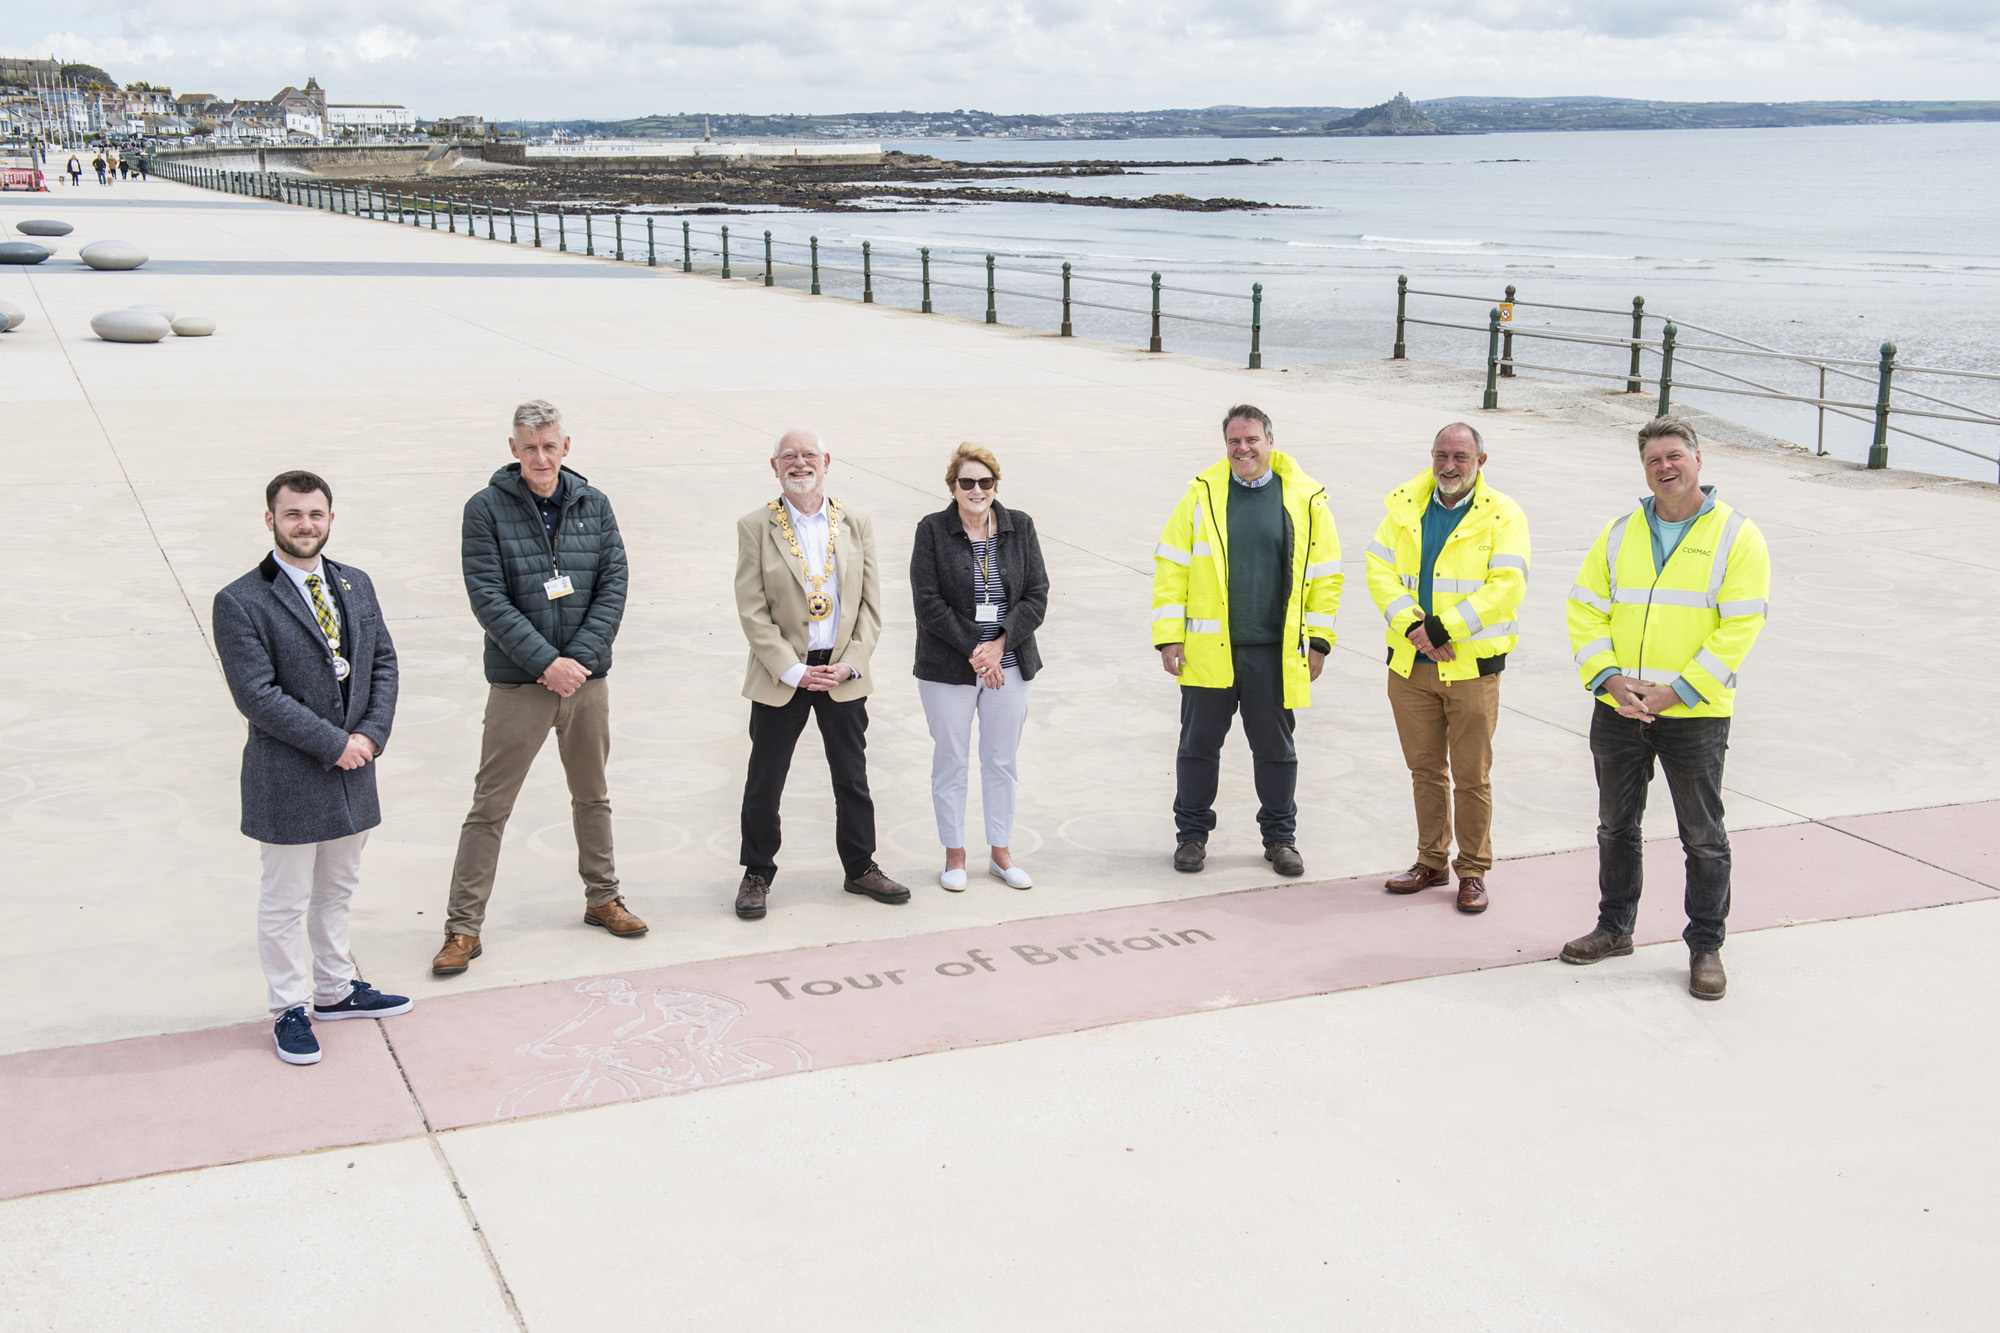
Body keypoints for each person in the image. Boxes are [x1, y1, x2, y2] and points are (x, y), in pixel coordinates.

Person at [1562, 416, 1770, 1000]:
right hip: (1620, 708)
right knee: (1615, 827)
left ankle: (1706, 944)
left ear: (1699, 460)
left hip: (1695, 713)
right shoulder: (1620, 531)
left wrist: (1679, 690)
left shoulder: (1737, 535)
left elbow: (1740, 626)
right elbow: (1585, 610)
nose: (1665, 468)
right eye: (1654, 460)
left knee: (1702, 834)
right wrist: (1609, 680)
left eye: (1674, 456)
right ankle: (1614, 928)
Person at [433, 400, 642, 976]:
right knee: (489, 808)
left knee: (592, 796)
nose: (541, 457)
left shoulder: (593, 504)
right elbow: (488, 598)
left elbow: (614, 584)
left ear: (566, 446)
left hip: (586, 681)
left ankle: (603, 898)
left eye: (550, 446)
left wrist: (577, 659)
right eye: (530, 447)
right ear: (513, 449)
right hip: (520, 685)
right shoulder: (485, 510)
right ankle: (462, 927)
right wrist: (546, 662)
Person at [212, 471, 410, 1066]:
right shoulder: (241, 599)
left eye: (316, 514)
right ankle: (290, 1007)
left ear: (330, 517)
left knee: (337, 889)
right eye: (293, 515)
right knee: (285, 898)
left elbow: (384, 665)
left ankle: (335, 989)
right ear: (270, 519)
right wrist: (335, 744)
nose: (306, 525)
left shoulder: (357, 583)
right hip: (291, 774)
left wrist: (370, 736)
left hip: (356, 767)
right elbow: (257, 694)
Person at [1151, 405, 1342, 877]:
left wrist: (1318, 641)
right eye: (1234, 441)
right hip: (1208, 651)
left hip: (1273, 653)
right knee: (1197, 748)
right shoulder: (1200, 497)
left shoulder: (1304, 498)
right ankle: (1191, 837)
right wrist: (1168, 638)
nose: (1243, 449)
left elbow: (1326, 577)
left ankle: (1280, 839)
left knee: (1276, 751)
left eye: (1252, 440)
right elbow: (1171, 570)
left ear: (1270, 442)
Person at [733, 428, 909, 919]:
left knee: (851, 777)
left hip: (841, 671)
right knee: (765, 781)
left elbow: (872, 608)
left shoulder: (856, 523)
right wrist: (791, 670)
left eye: (808, 454)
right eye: (788, 456)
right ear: (774, 467)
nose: (799, 463)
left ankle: (860, 867)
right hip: (781, 675)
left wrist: (850, 662)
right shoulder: (755, 527)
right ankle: (756, 873)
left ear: (826, 461)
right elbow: (752, 610)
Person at [1366, 423, 1530, 914]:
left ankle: (1473, 870)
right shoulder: (1403, 508)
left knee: (1471, 775)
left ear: (1481, 461)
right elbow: (1379, 570)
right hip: (1411, 665)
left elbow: (1508, 585)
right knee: (1425, 770)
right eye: (1441, 454)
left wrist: (1446, 628)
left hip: (1472, 669)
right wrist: (1415, 627)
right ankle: (1431, 860)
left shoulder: (1504, 513)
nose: (1449, 465)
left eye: (1461, 456)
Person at [910, 443, 1050, 891]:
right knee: (950, 761)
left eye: (985, 482)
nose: (976, 490)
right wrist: (979, 648)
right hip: (948, 666)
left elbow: (1037, 594)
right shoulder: (932, 530)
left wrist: (1000, 644)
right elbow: (927, 602)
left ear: (995, 485)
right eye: (966, 482)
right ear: (953, 487)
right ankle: (954, 854)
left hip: (1008, 664)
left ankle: (1001, 853)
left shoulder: (1020, 526)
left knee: (1001, 760)